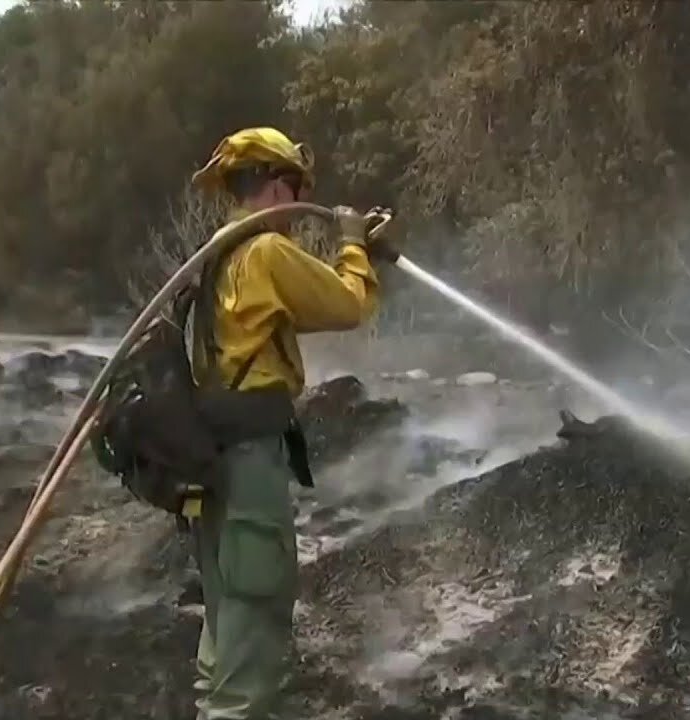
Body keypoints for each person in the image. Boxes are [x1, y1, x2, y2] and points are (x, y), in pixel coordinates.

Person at [186, 127, 396, 719]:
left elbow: (304, 304)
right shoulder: (264, 252)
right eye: (298, 191)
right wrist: (351, 244)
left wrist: (360, 251)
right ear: (280, 186)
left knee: (228, 621)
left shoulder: (219, 256)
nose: (301, 208)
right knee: (254, 619)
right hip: (249, 461)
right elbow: (348, 306)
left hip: (212, 463)